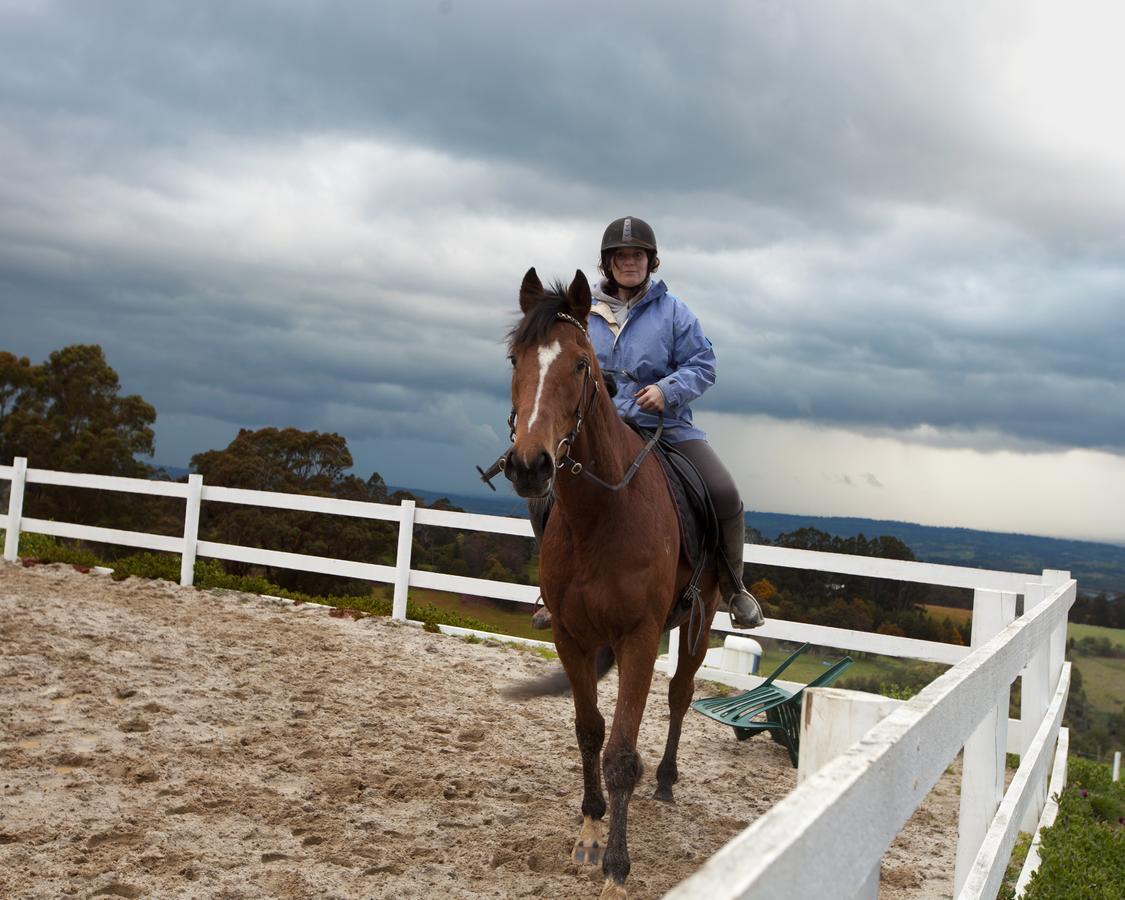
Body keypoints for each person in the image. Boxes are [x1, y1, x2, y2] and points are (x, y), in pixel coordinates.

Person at [531, 216, 764, 630]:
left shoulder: (674, 312)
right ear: (608, 263)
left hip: (665, 427)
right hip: (599, 432)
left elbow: (704, 364)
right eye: (621, 256)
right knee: (542, 493)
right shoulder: (584, 314)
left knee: (724, 491)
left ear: (651, 262)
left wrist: (667, 391)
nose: (629, 262)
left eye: (637, 255)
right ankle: (552, 586)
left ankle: (733, 587)